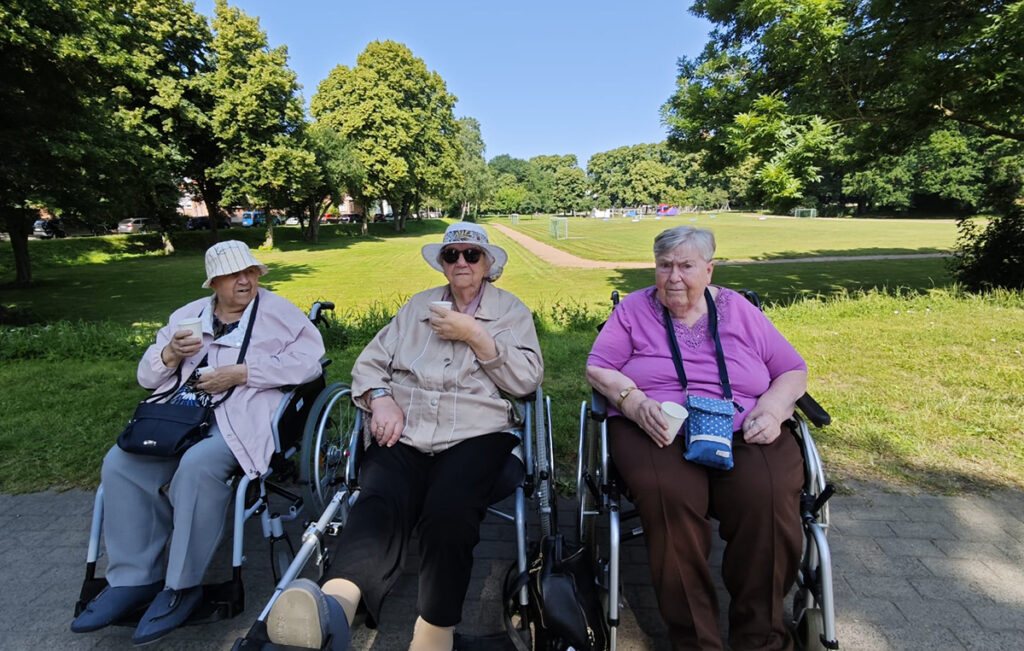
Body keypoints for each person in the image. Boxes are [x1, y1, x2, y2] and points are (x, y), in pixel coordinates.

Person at [265, 221, 544, 651]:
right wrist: (380, 399)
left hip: (477, 432)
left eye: (472, 254)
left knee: (449, 510)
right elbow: (370, 363)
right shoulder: (418, 307)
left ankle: (435, 633)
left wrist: (476, 336)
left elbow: (526, 383)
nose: (462, 262)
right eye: (452, 255)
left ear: (488, 264)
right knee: (378, 502)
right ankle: (332, 607)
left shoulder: (511, 311)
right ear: (443, 264)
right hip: (406, 427)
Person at [70, 240, 326, 645]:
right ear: (214, 282)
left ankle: (181, 585)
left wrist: (243, 373)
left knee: (197, 466)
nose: (245, 280)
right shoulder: (185, 317)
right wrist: (170, 354)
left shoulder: (280, 314)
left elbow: (311, 363)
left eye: (251, 272)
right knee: (121, 463)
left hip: (241, 416)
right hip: (179, 415)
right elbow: (147, 377)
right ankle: (134, 579)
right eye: (233, 275)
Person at [586, 226, 807, 651]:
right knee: (669, 496)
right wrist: (633, 402)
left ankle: (762, 638)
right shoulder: (633, 310)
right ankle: (696, 641)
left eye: (685, 266)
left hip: (745, 425)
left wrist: (775, 409)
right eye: (664, 265)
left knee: (770, 494)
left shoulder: (740, 310)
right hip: (658, 426)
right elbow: (598, 367)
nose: (673, 277)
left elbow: (793, 370)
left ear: (709, 269)